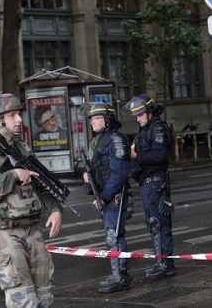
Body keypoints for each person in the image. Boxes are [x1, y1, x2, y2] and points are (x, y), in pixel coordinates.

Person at [0, 93, 63, 308]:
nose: (19, 119)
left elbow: (41, 182)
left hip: (32, 229)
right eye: (12, 115)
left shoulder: (20, 148)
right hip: (5, 233)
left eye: (19, 114)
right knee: (23, 298)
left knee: (44, 295)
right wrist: (14, 176)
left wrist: (55, 208)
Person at [121, 94, 175, 279]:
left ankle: (165, 263)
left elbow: (159, 156)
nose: (137, 118)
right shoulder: (144, 130)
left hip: (155, 183)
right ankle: (161, 261)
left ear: (150, 112)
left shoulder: (158, 128)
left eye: (140, 114)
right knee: (153, 225)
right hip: (146, 183)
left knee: (159, 223)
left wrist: (136, 157)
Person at [81, 102, 131, 293]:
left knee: (114, 235)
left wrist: (105, 196)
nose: (92, 122)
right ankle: (118, 273)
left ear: (107, 120)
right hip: (106, 194)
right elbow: (99, 169)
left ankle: (120, 276)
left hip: (114, 194)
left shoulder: (116, 139)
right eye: (91, 119)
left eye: (96, 119)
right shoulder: (103, 139)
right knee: (112, 234)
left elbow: (119, 173)